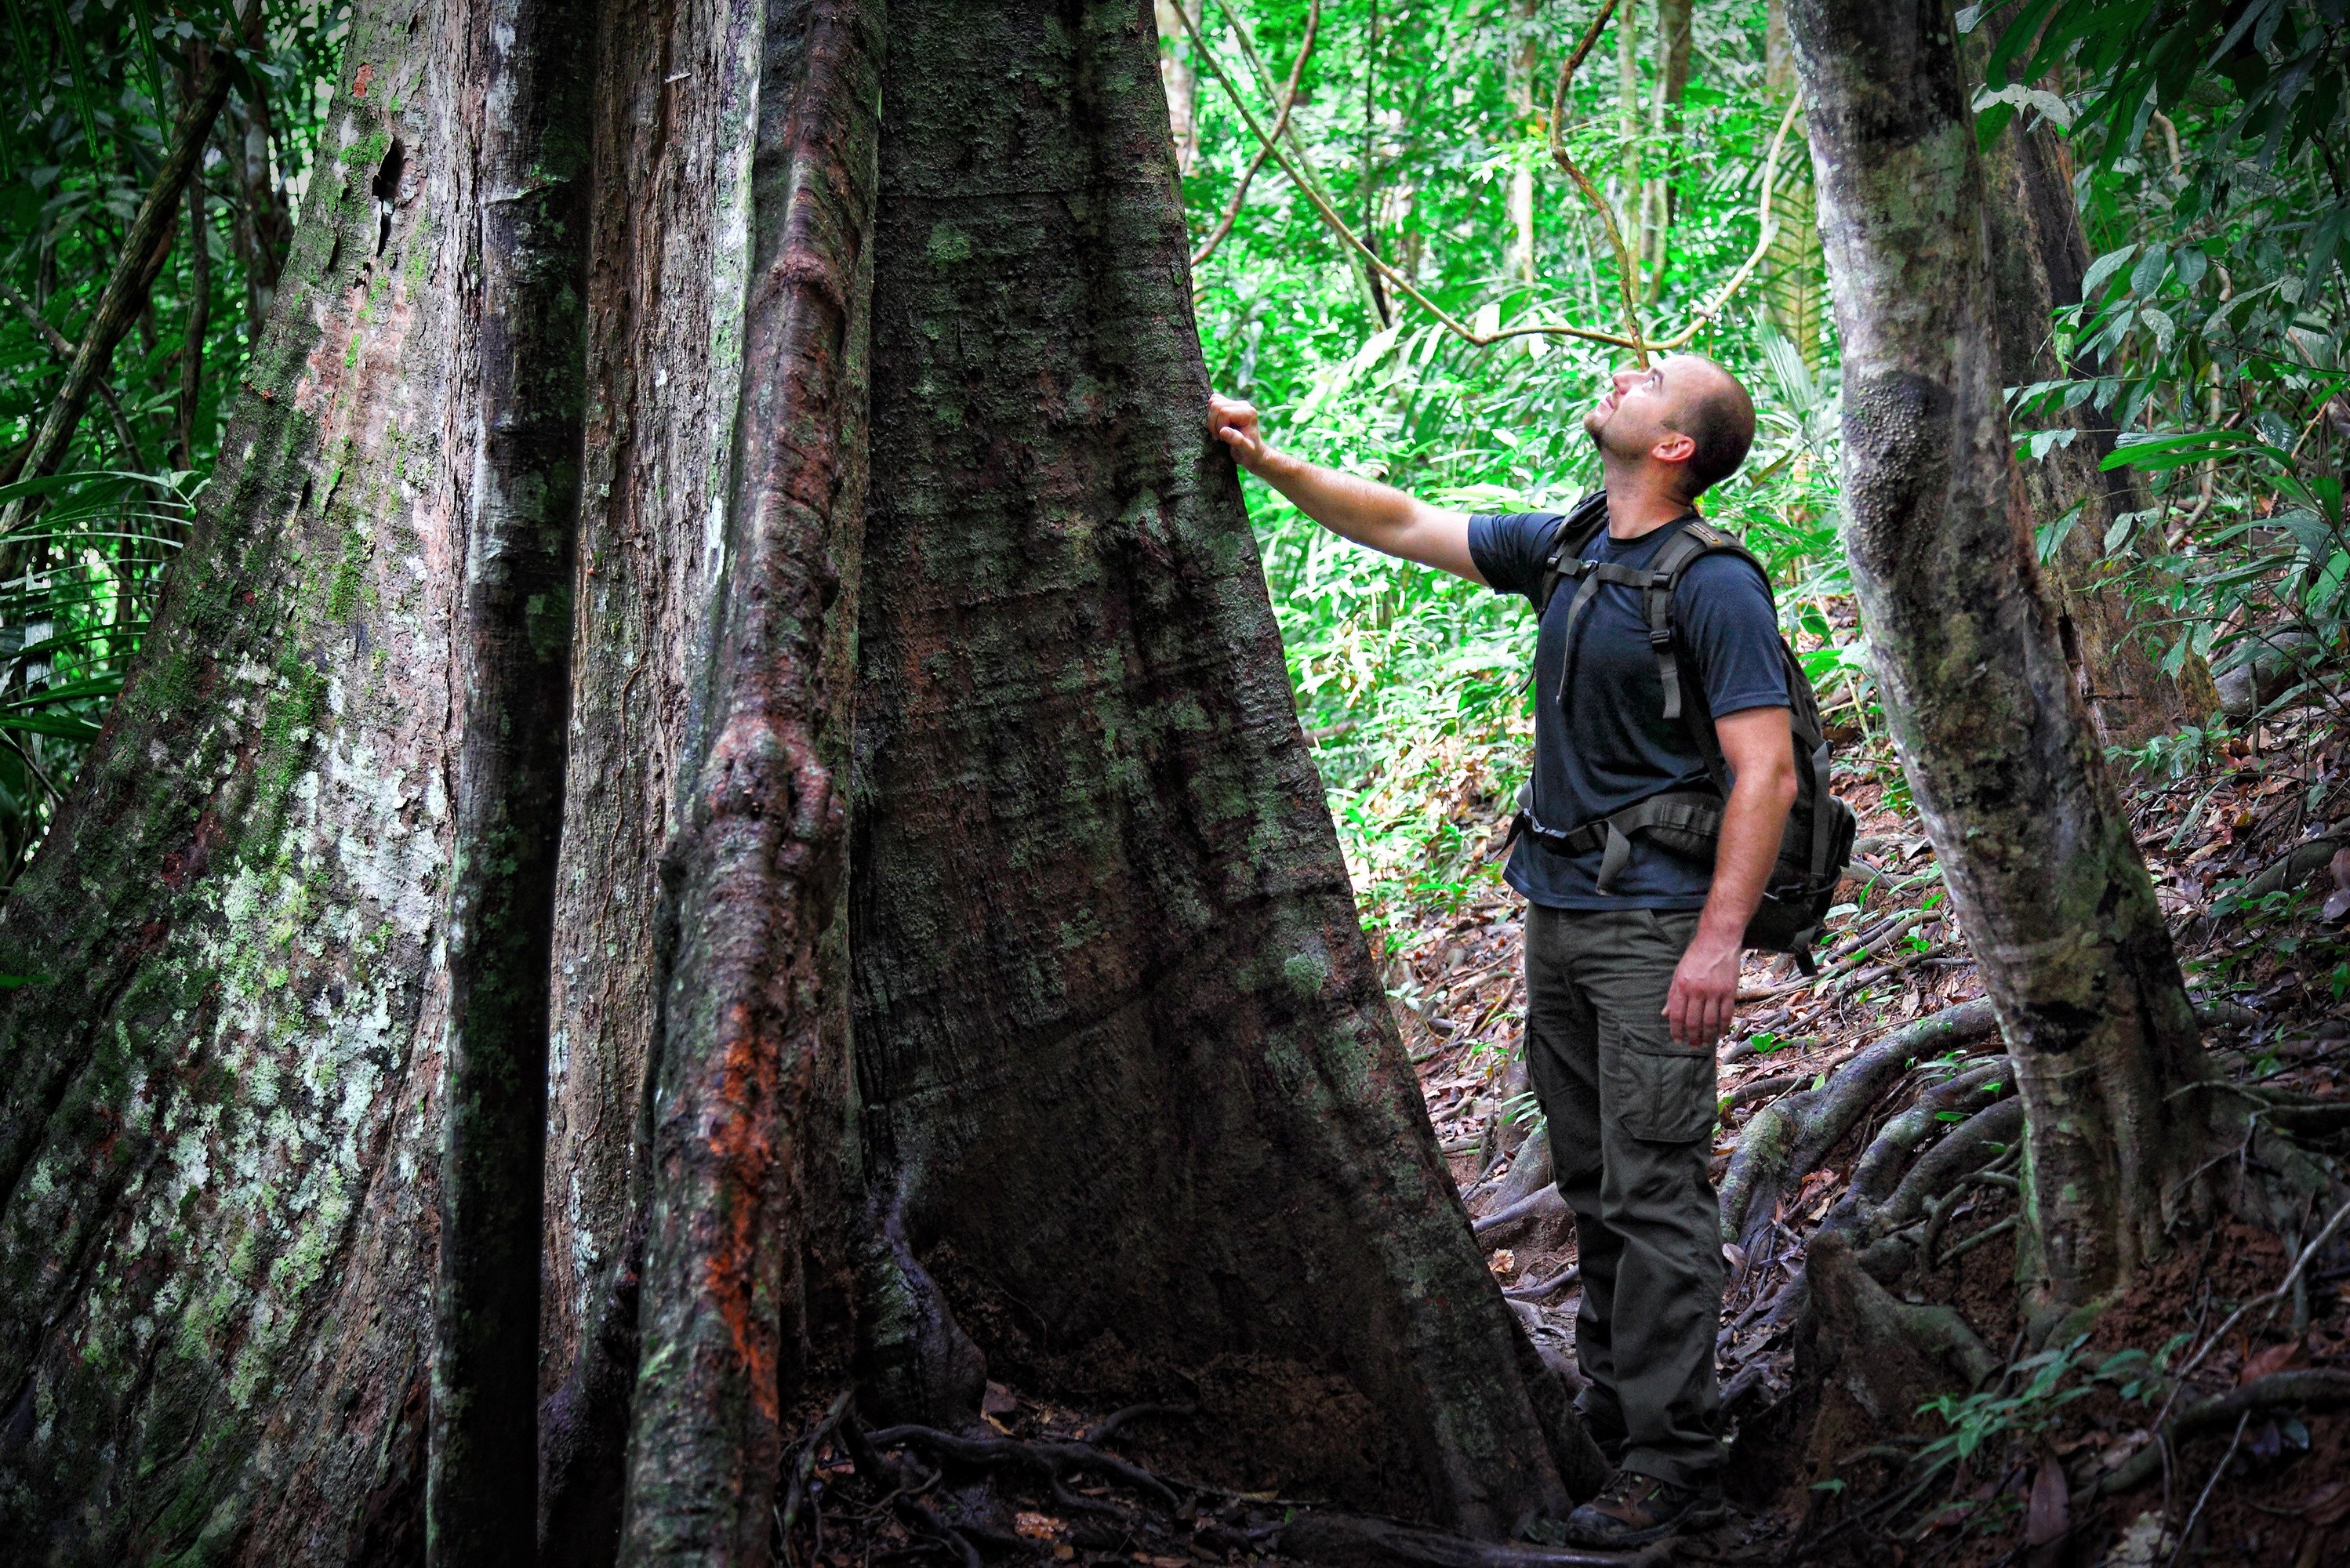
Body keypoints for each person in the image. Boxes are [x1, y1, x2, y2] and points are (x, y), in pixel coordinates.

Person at [1208, 354, 1790, 1549]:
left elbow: (1764, 770)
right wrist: (1263, 462)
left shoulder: (1715, 585)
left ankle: (1674, 1458)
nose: (1626, 375)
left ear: (1674, 448)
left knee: (1653, 1189)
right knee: (1588, 1181)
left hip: (1655, 930)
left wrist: (1718, 940)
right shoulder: (1575, 544)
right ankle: (1607, 1417)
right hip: (1559, 912)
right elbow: (1406, 520)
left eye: (1652, 380)